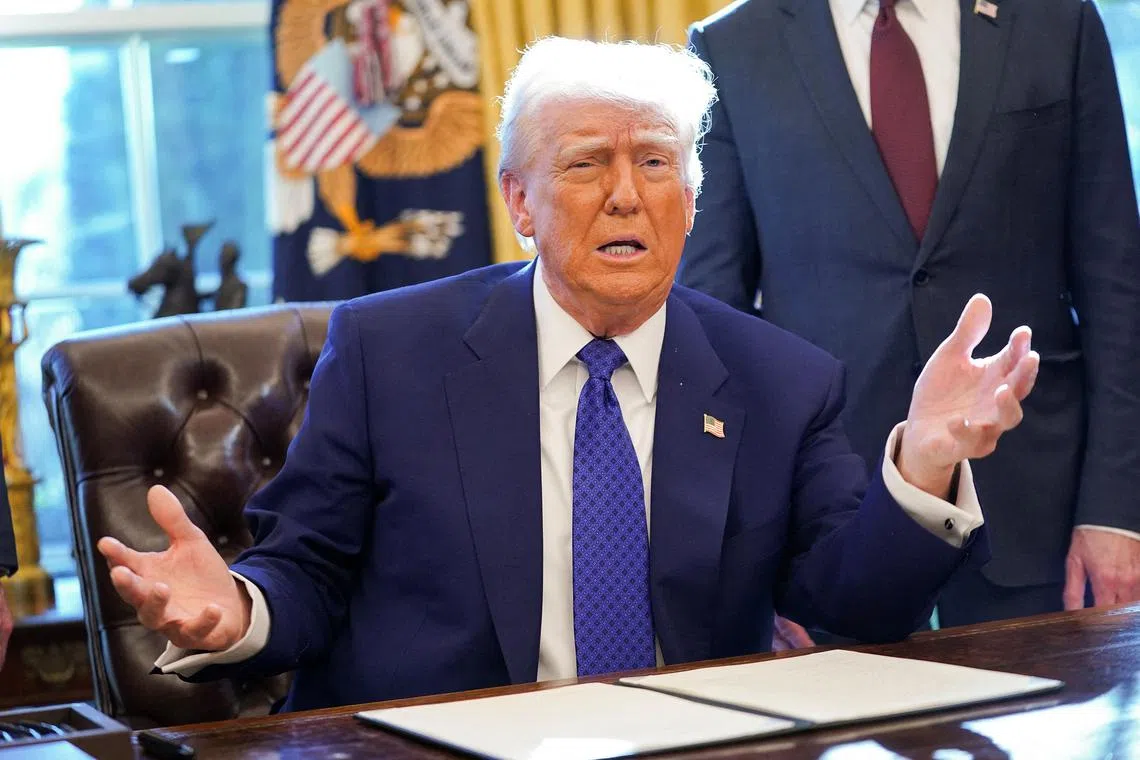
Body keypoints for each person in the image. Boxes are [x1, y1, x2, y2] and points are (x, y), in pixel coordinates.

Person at [96, 38, 1038, 712]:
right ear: (520, 202)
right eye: (587, 164)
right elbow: (308, 568)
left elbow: (854, 607)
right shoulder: (390, 351)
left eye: (656, 162)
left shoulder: (780, 380)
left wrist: (922, 464)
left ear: (691, 200)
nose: (626, 194)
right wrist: (239, 610)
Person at [680, 0, 1140, 639]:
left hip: (1039, 509)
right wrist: (755, 554)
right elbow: (716, 327)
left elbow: (1117, 283)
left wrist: (1117, 510)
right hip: (833, 527)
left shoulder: (1057, 21)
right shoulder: (731, 47)